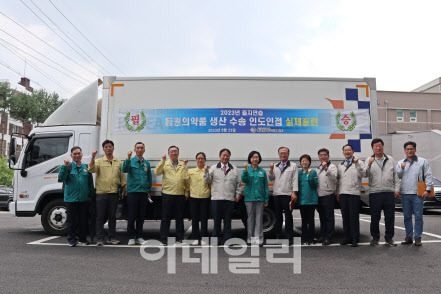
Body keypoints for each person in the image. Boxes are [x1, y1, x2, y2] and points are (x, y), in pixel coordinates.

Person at [88, 140, 127, 246]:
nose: (108, 148)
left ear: (113, 148)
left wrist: (124, 188)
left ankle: (112, 238)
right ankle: (100, 239)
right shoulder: (99, 161)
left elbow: (122, 176)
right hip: (101, 193)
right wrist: (92, 157)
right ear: (103, 149)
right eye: (106, 147)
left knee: (112, 217)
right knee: (100, 217)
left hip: (114, 193)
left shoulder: (118, 162)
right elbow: (91, 169)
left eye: (110, 146)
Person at [365, 138, 400, 247]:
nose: (378, 148)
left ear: (383, 147)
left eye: (380, 145)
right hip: (374, 193)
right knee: (375, 217)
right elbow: (364, 174)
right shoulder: (369, 160)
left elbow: (396, 176)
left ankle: (389, 237)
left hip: (389, 192)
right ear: (372, 148)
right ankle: (375, 237)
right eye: (376, 146)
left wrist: (397, 189)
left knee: (390, 216)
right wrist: (368, 164)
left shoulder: (390, 159)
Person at [397, 141, 433, 246]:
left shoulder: (422, 161)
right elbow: (397, 176)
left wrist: (428, 189)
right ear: (404, 150)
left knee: (418, 217)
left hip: (418, 193)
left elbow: (428, 175)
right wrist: (402, 169)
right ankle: (408, 237)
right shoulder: (400, 163)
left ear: (415, 150)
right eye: (407, 149)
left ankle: (418, 237)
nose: (409, 151)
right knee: (407, 216)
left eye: (411, 149)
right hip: (405, 193)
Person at [204, 148, 242, 245]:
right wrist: (205, 171)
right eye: (223, 155)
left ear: (229, 157)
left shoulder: (234, 169)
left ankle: (227, 239)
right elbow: (207, 180)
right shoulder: (213, 168)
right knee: (217, 220)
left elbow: (238, 183)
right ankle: (216, 239)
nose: (225, 157)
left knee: (227, 220)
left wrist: (237, 194)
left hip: (229, 198)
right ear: (220, 156)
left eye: (227, 155)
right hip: (217, 198)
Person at [58, 146, 94, 247]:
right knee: (72, 221)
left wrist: (91, 195)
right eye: (75, 154)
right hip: (71, 199)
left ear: (82, 155)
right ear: (71, 155)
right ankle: (72, 239)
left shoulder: (86, 167)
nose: (77, 155)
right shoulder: (67, 167)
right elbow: (61, 178)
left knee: (83, 220)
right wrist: (64, 166)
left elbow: (90, 183)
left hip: (83, 199)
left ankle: (82, 239)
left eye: (79, 153)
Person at [154, 145, 187, 245]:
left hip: (180, 194)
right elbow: (157, 172)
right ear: (168, 153)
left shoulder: (182, 164)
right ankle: (164, 237)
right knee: (165, 217)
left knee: (179, 217)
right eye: (171, 151)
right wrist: (162, 161)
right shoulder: (165, 163)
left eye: (175, 151)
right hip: (167, 194)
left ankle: (180, 237)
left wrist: (186, 192)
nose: (173, 153)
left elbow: (186, 178)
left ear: (178, 153)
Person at [122, 142, 152, 245]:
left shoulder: (146, 163)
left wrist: (148, 190)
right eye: (138, 148)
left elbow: (149, 178)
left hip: (143, 193)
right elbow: (124, 170)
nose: (139, 149)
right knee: (132, 216)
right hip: (133, 192)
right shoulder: (130, 161)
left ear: (144, 150)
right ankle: (131, 237)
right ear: (135, 150)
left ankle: (139, 236)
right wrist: (128, 158)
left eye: (141, 148)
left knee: (141, 216)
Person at [337, 144, 365, 247]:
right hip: (343, 194)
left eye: (349, 150)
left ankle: (355, 238)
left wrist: (357, 164)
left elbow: (363, 174)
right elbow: (339, 180)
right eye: (345, 150)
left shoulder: (359, 162)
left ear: (353, 151)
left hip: (354, 194)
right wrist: (338, 193)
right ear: (343, 152)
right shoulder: (341, 165)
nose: (347, 152)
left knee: (353, 217)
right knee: (345, 217)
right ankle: (347, 237)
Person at [268, 146, 298, 245]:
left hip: (287, 194)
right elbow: (271, 178)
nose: (283, 154)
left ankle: (289, 237)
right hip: (277, 194)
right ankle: (278, 235)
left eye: (285, 153)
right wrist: (271, 169)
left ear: (288, 154)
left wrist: (294, 192)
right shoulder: (275, 166)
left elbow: (295, 179)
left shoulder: (293, 165)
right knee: (278, 216)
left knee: (288, 216)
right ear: (278, 154)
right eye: (281, 153)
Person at [241, 151, 269, 246]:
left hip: (260, 199)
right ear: (250, 159)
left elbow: (265, 186)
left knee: (259, 219)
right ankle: (250, 239)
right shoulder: (247, 170)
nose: (255, 159)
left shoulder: (262, 171)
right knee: (250, 219)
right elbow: (244, 180)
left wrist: (266, 199)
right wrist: (245, 170)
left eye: (256, 157)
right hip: (249, 198)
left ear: (259, 159)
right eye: (253, 157)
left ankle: (259, 240)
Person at [183, 152, 211, 244]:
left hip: (205, 197)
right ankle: (195, 237)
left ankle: (204, 237)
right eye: (198, 158)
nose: (200, 160)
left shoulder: (208, 171)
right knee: (194, 218)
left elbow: (210, 184)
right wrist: (184, 166)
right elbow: (184, 179)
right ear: (196, 160)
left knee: (204, 218)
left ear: (205, 160)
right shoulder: (191, 171)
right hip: (194, 197)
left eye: (202, 158)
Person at [316, 148, 337, 246]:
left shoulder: (332, 166)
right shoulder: (318, 167)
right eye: (321, 155)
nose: (323, 157)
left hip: (328, 195)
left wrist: (326, 169)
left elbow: (334, 178)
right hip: (319, 195)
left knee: (329, 217)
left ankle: (329, 237)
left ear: (328, 156)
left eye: (324, 155)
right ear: (319, 157)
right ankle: (323, 235)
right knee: (322, 217)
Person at [298, 154, 319, 245]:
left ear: (309, 162)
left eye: (306, 160)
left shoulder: (313, 172)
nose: (304, 162)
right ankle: (304, 238)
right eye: (302, 161)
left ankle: (311, 238)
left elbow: (314, 184)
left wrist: (310, 175)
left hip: (311, 200)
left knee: (310, 220)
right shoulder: (300, 173)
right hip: (302, 200)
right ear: (300, 163)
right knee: (303, 220)